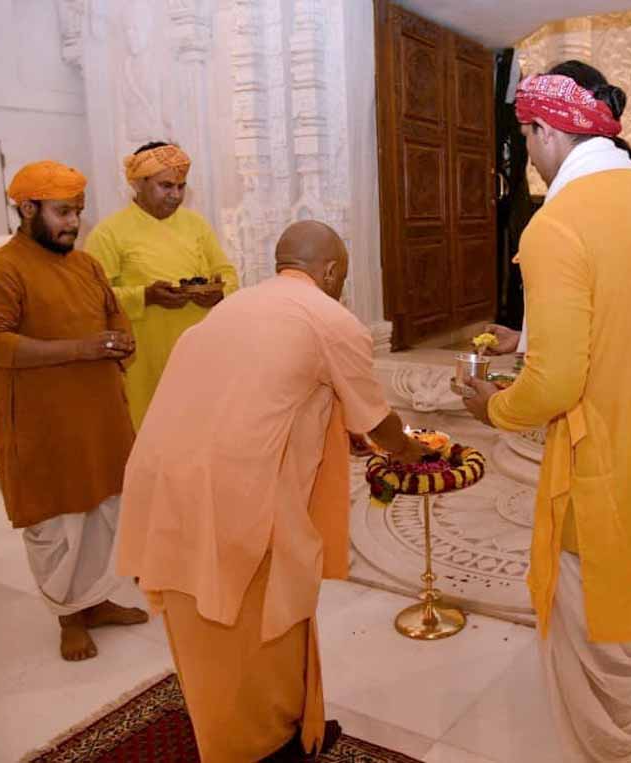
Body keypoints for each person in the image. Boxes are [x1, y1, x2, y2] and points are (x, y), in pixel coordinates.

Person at [463, 61, 631, 763]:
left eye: (527, 138)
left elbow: (555, 385)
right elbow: (630, 318)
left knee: (606, 648)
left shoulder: (557, 225)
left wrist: (495, 407)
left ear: (548, 131)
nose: (528, 156)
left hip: (612, 471)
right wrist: (531, 336)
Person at [117, 221, 430, 762]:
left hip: (161, 477)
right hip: (235, 493)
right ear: (330, 271)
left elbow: (268, 393)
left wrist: (340, 432)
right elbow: (379, 421)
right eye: (342, 277)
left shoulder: (232, 307)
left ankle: (268, 727)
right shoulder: (331, 318)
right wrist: (408, 449)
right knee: (254, 624)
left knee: (198, 622)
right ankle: (265, 745)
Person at [0, 161, 147, 662]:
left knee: (103, 513)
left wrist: (122, 342)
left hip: (99, 418)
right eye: (62, 212)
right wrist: (81, 349)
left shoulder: (86, 266)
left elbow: (113, 315)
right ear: (27, 209)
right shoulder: (2, 269)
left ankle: (96, 602)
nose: (74, 223)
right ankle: (69, 617)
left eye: (77, 211)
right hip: (43, 424)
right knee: (57, 524)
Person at [85, 142, 239, 430]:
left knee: (203, 426)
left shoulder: (195, 224)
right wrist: (145, 296)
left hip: (200, 349)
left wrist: (219, 292)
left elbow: (227, 274)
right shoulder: (108, 233)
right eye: (166, 186)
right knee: (153, 429)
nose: (175, 195)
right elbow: (93, 297)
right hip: (145, 358)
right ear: (138, 183)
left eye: (181, 186)